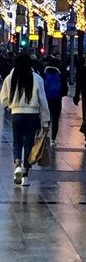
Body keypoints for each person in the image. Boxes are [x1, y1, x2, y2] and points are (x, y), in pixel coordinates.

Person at [0, 53, 50, 186]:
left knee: (17, 141)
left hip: (17, 114)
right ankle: (26, 174)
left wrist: (9, 106)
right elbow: (43, 101)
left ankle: (17, 164)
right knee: (29, 142)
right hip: (32, 115)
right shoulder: (37, 78)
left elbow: (3, 97)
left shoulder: (10, 78)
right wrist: (45, 120)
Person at [43, 56, 68, 146]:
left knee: (46, 119)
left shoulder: (44, 74)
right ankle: (53, 139)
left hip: (45, 100)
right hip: (57, 100)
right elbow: (65, 91)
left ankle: (44, 136)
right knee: (55, 119)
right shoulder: (61, 75)